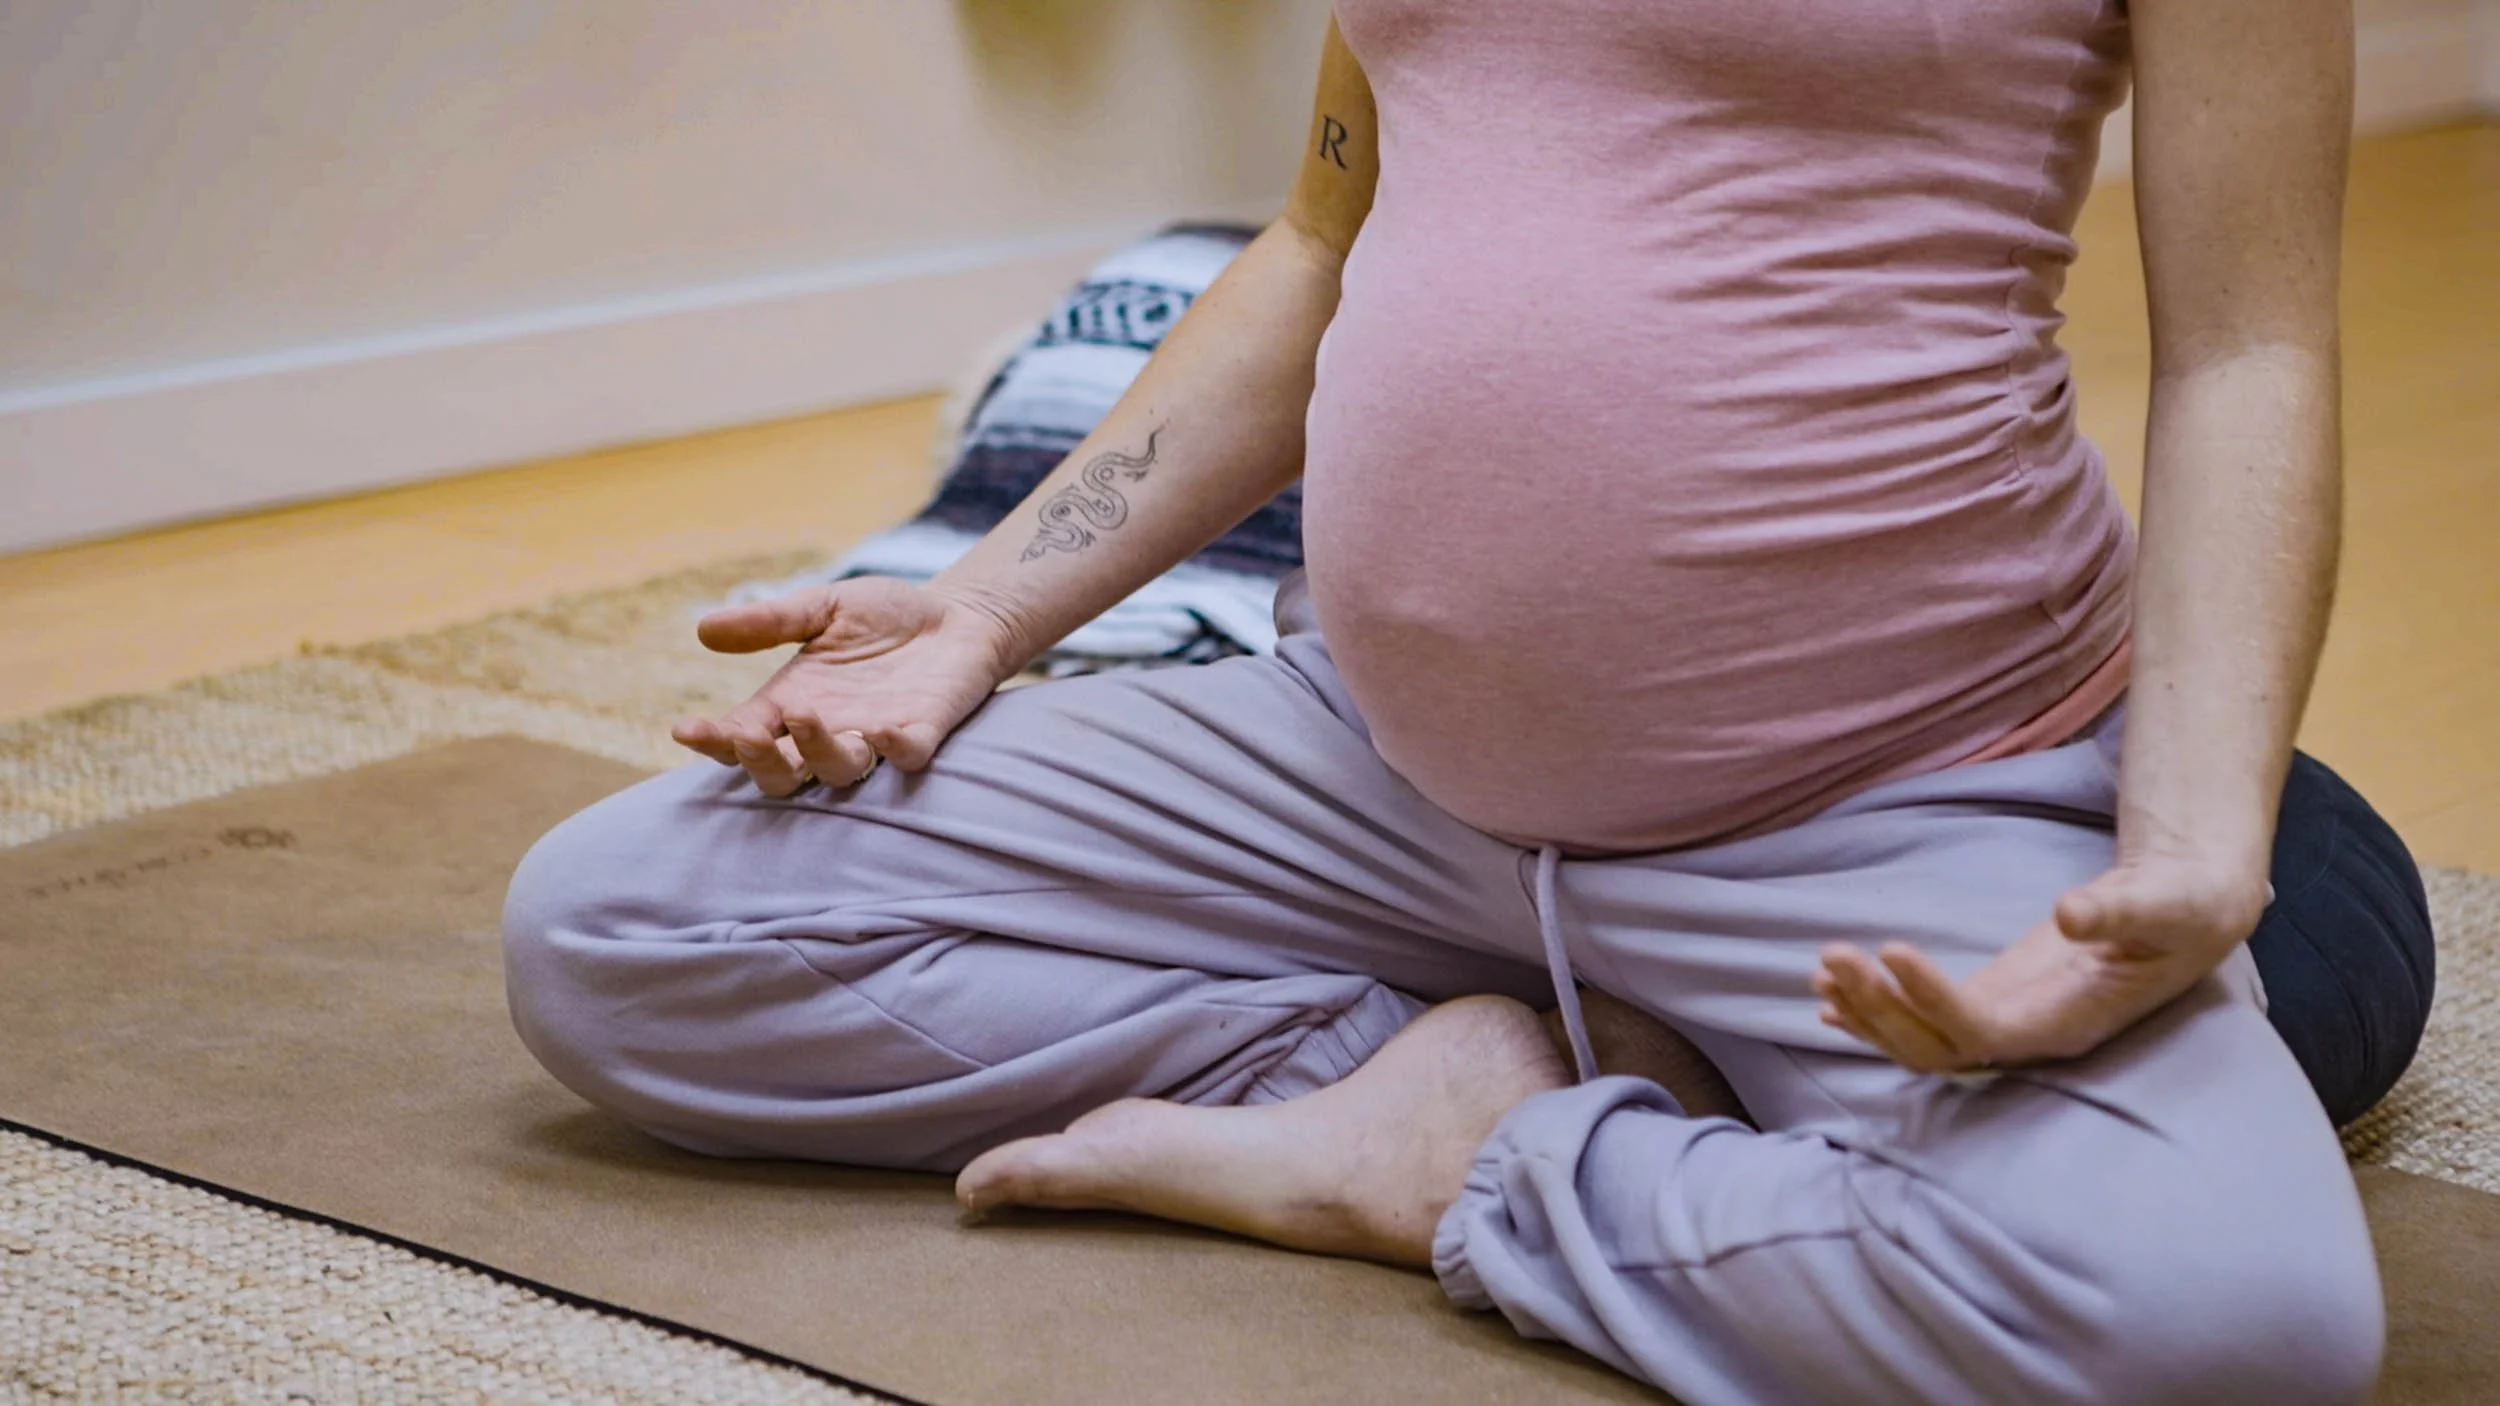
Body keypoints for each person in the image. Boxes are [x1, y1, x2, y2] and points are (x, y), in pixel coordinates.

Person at [501, 3, 2436, 1400]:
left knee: (2230, 1321)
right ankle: (1383, 1081)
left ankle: (1485, 1165)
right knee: (619, 933)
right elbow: (1322, 242)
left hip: (1891, 785)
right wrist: (985, 606)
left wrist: (2193, 835)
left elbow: (2249, 348)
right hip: (1371, 763)